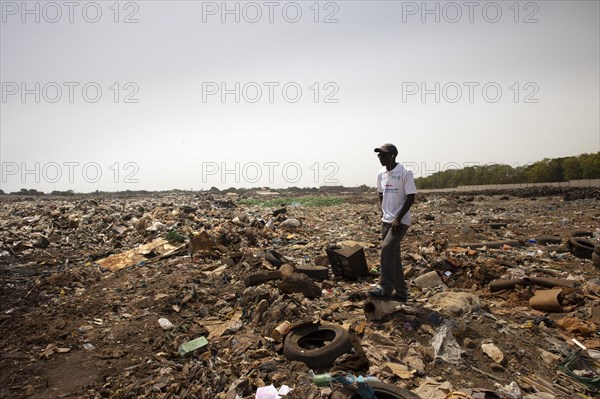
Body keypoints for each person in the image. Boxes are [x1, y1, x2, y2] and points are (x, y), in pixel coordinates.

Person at [370, 143, 416, 302]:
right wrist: (383, 211)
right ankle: (402, 294)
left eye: (382, 155)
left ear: (392, 156)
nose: (379, 157)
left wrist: (397, 218)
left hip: (400, 222)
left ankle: (385, 288)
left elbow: (411, 197)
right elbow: (381, 193)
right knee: (393, 257)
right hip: (386, 221)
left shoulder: (405, 173)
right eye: (378, 155)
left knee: (387, 249)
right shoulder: (381, 174)